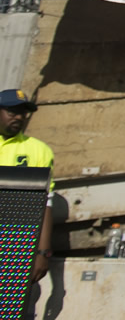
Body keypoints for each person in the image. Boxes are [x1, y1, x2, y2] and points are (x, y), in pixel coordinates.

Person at [0, 89, 54, 283]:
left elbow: (45, 201)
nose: (19, 117)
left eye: (23, 113)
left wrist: (42, 252)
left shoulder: (39, 150)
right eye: (12, 112)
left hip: (16, 244)